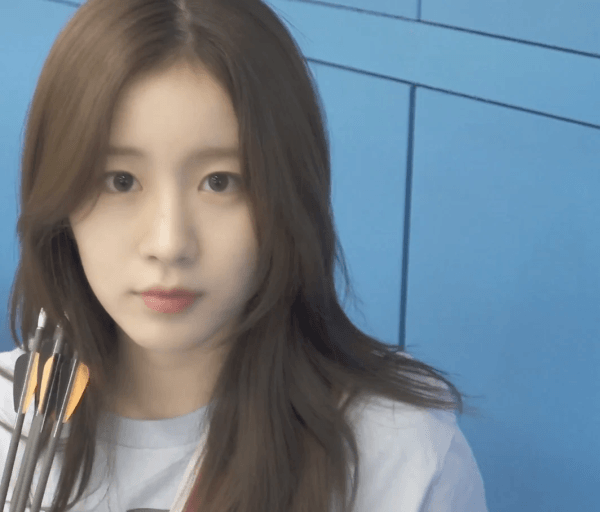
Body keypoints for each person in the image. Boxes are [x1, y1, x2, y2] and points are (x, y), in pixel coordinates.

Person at [0, 0, 488, 511]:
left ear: (286, 198)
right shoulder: (15, 418)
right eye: (120, 181)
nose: (169, 243)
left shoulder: (398, 457)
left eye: (220, 182)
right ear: (57, 202)